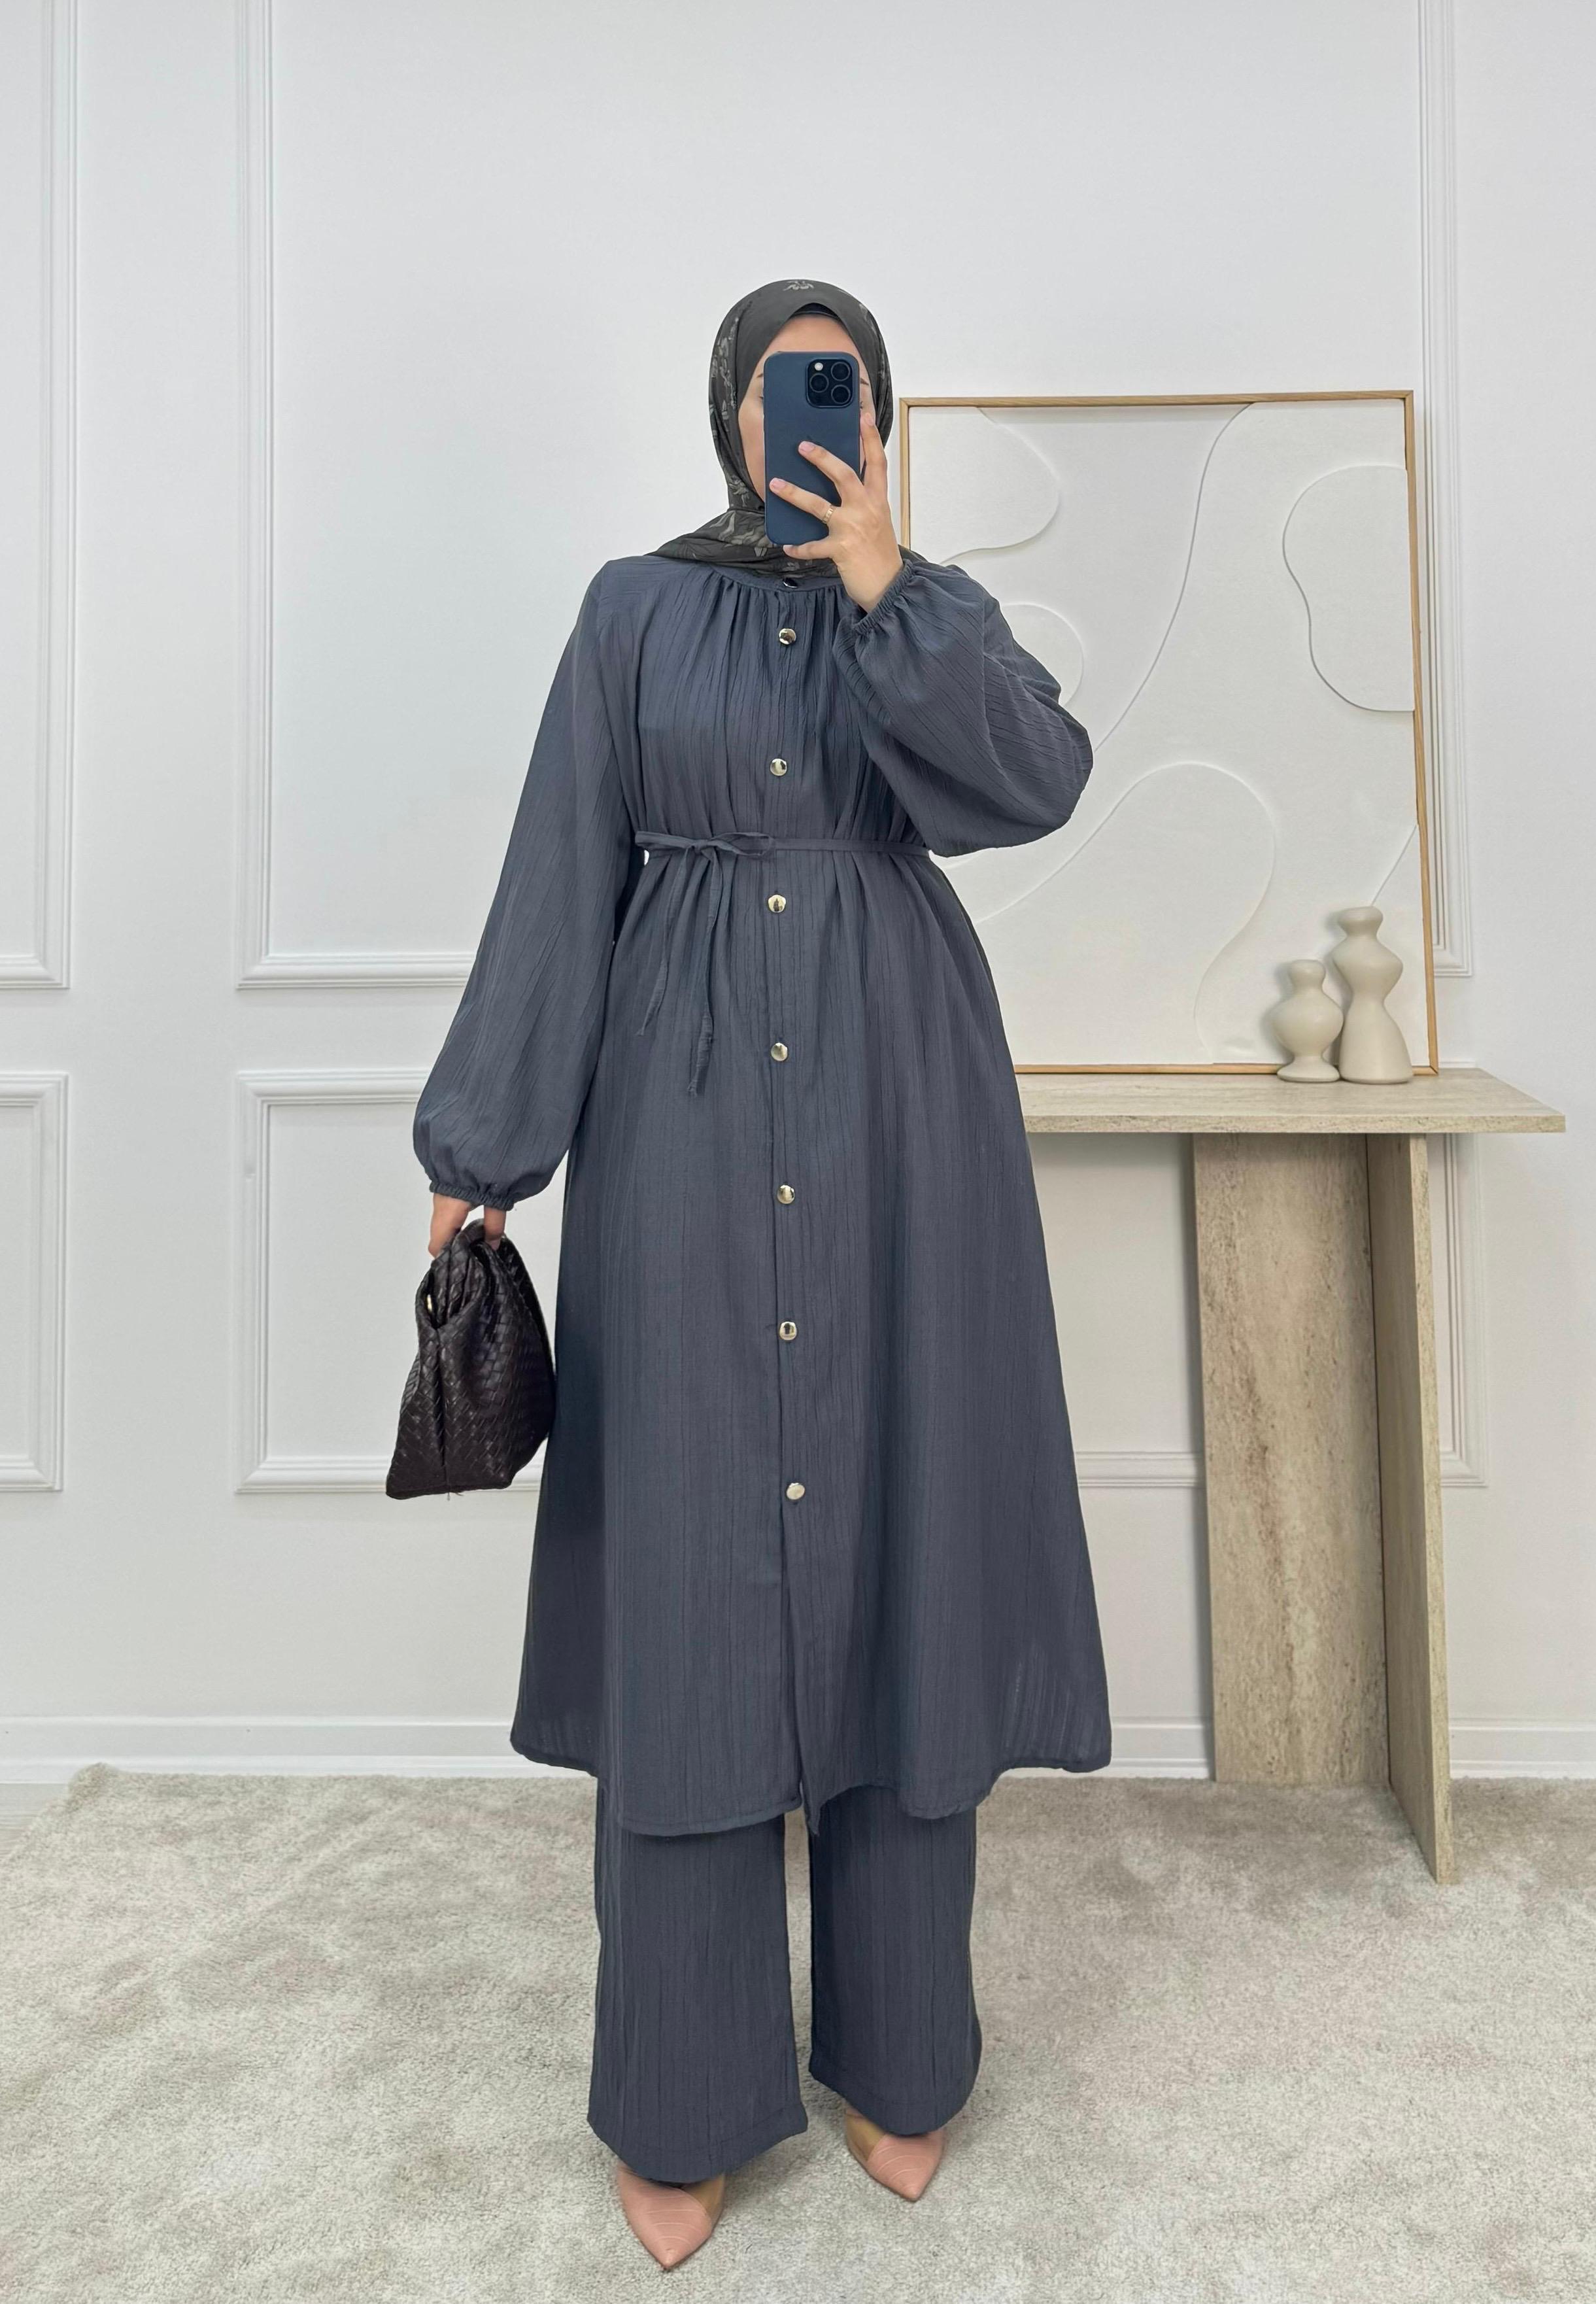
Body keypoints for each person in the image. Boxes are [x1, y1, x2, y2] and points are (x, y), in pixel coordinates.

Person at [413, 277, 1112, 2267]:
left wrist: (886, 580)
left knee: (905, 1561)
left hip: (905, 1125)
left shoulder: (931, 610)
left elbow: (1037, 783)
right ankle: (683, 2086)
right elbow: (562, 867)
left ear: (878, 415)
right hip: (687, 1127)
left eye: (845, 384)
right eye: (783, 385)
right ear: (727, 410)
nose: (810, 412)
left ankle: (902, 2051)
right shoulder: (634, 612)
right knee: (689, 1587)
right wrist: (481, 1157)